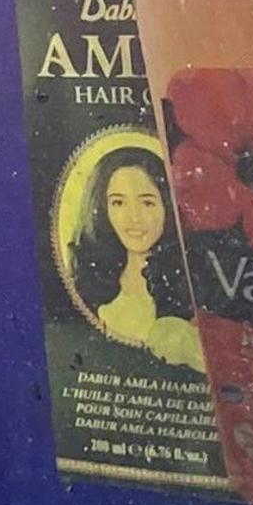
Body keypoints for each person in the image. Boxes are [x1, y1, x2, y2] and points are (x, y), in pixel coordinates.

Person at [68, 143, 203, 371]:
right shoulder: (90, 287)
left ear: (167, 205)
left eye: (147, 202)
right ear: (103, 208)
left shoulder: (192, 284)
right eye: (118, 202)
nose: (134, 218)